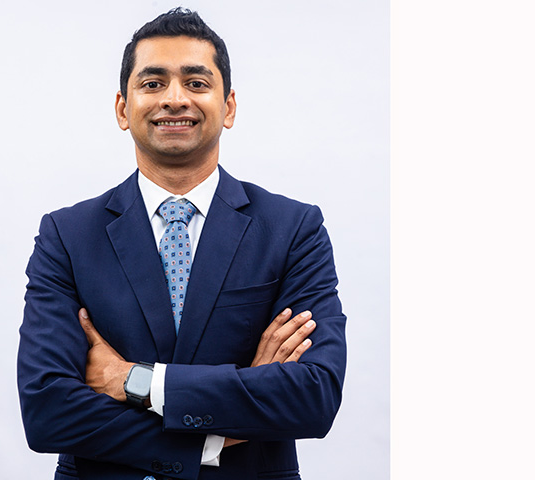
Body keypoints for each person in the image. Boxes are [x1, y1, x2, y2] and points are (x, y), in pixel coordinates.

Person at [17, 7, 347, 480]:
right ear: (123, 108)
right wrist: (213, 438)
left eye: (196, 83)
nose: (174, 99)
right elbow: (47, 411)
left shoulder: (293, 229)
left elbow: (313, 395)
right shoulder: (67, 236)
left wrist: (136, 382)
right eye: (153, 83)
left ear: (228, 106)